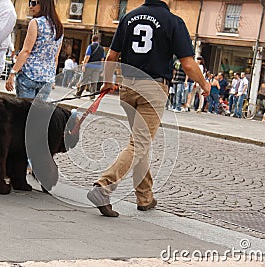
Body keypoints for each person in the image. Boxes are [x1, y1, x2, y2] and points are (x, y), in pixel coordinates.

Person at [86, 0, 210, 217]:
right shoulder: (173, 21)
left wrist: (107, 82)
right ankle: (103, 186)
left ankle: (145, 197)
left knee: (140, 143)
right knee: (139, 143)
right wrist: (204, 83)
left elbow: (112, 57)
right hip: (152, 88)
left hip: (127, 87)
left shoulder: (128, 17)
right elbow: (189, 64)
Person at [5, 0, 63, 100]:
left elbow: (26, 51)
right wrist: (51, 77)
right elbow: (55, 57)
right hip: (46, 79)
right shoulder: (59, 27)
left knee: (23, 112)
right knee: (36, 114)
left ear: (43, 4)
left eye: (34, 3)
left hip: (29, 75)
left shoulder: (36, 22)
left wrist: (13, 72)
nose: (30, 6)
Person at [75, 35, 105, 99]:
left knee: (84, 80)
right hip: (97, 67)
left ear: (92, 40)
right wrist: (101, 68)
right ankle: (92, 95)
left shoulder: (90, 46)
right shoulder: (102, 49)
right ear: (98, 40)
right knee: (94, 81)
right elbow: (102, 59)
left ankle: (79, 94)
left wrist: (84, 65)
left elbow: (87, 56)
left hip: (89, 66)